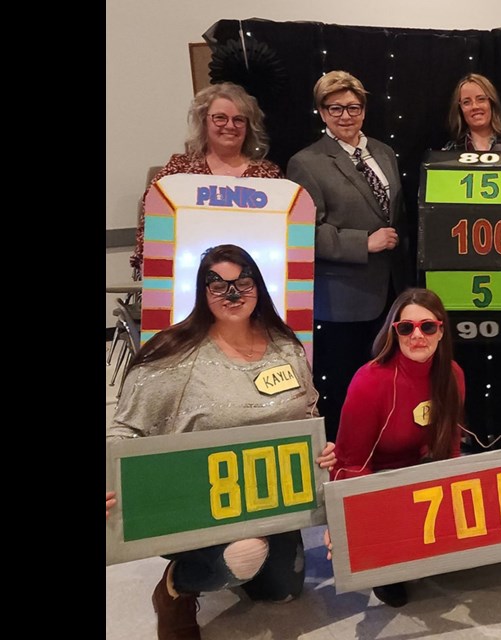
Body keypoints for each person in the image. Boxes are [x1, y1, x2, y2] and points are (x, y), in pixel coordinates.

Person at [106, 244, 336, 640]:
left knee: (282, 592)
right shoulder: (173, 355)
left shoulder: (284, 346)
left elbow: (306, 414)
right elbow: (124, 431)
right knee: (243, 555)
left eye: (242, 283)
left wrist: (321, 450)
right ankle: (176, 587)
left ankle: (242, 559)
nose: (232, 294)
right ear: (202, 291)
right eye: (218, 285)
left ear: (258, 286)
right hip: (199, 505)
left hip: (270, 499)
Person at [287, 70, 410, 443]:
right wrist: (363, 243)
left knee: (387, 378)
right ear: (321, 113)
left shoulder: (384, 153)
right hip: (342, 298)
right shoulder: (306, 162)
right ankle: (346, 455)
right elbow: (304, 230)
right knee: (345, 384)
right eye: (335, 108)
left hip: (391, 290)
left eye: (353, 107)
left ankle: (387, 445)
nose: (345, 115)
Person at [329, 288, 466, 608]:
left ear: (441, 330)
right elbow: (351, 462)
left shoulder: (454, 375)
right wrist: (350, 526)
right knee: (395, 577)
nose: (417, 335)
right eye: (406, 328)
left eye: (427, 327)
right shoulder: (370, 381)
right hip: (377, 479)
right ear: (394, 331)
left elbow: (452, 446)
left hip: (423, 472)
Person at [131, 83, 282, 278]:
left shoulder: (268, 174)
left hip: (254, 280)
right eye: (220, 118)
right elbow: (150, 227)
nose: (230, 125)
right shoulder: (178, 171)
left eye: (239, 119)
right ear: (204, 121)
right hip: (187, 279)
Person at [442, 73, 501, 152]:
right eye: (466, 102)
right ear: (460, 109)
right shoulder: (450, 151)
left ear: (492, 103)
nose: (475, 106)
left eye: (481, 99)